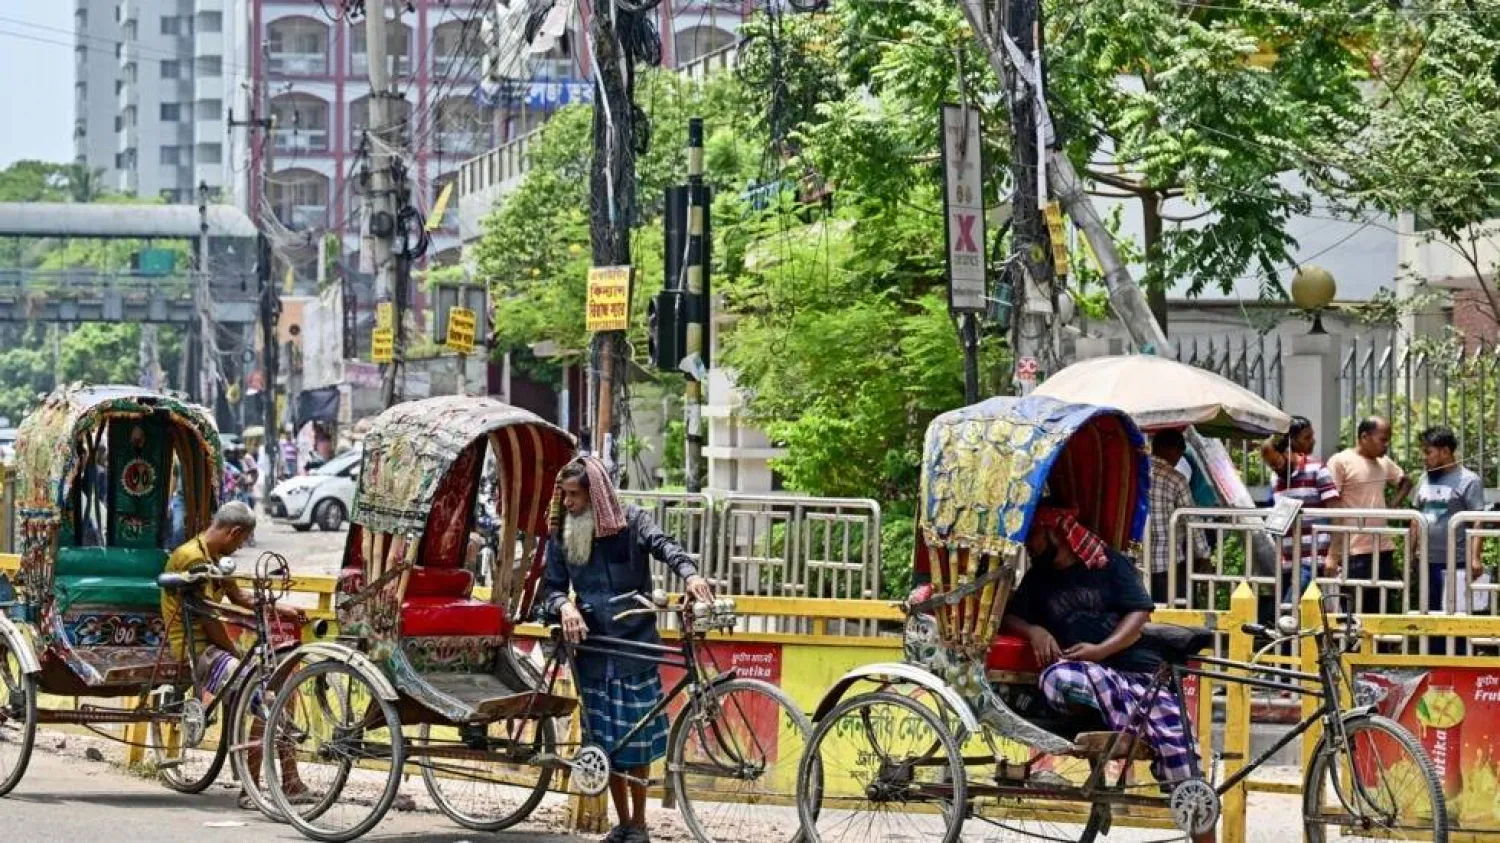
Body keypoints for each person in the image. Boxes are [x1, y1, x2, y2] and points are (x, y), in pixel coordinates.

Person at [1001, 506, 1212, 843]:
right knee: (1056, 679)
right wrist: (1035, 631)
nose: (1028, 544)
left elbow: (1140, 613)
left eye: (1034, 536)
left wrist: (1101, 651)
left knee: (1186, 769)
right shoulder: (1038, 578)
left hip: (1138, 673)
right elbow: (1011, 616)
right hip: (1085, 675)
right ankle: (1110, 719)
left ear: (1056, 533)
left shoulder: (1109, 563)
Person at [540, 457, 714, 843]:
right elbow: (550, 589)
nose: (567, 502)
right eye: (564, 495)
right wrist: (565, 606)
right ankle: (624, 825)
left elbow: (666, 546)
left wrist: (690, 574)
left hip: (635, 648)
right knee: (607, 744)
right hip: (594, 652)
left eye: (574, 495)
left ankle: (640, 823)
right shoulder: (562, 532)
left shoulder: (633, 521)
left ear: (595, 494)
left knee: (637, 745)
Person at [160, 501, 308, 808]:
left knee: (286, 692)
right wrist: (237, 654)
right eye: (242, 540)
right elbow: (207, 619)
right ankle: (251, 787)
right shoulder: (191, 558)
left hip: (218, 646)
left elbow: (238, 596)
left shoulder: (216, 557)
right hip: (198, 649)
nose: (241, 547)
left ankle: (290, 780)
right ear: (234, 532)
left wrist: (282, 609)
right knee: (265, 699)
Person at [1327, 417, 1412, 613]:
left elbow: (1406, 481)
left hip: (1383, 549)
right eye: (1383, 439)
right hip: (1354, 551)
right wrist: (1333, 553)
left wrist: (1391, 507)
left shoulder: (1383, 463)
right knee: (1355, 613)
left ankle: (1382, 645)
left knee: (1383, 610)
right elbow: (1333, 508)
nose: (1387, 445)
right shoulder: (1340, 461)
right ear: (1364, 437)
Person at [1414, 426, 1484, 653]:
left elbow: (1478, 520)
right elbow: (1415, 516)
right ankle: (1433, 666)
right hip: (1427, 561)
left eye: (1428, 452)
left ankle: (1458, 665)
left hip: (1457, 563)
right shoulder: (1424, 478)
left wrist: (1475, 557)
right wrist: (1411, 552)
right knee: (1429, 617)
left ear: (1445, 452)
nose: (1424, 458)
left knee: (1456, 620)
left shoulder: (1468, 480)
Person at [1266, 417, 1340, 611]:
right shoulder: (1276, 478)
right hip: (1288, 561)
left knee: (1287, 611)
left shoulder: (1318, 469)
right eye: (1271, 464)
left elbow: (1337, 515)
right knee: (1298, 616)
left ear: (1289, 448)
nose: (1313, 441)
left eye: (1310, 437)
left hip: (1314, 559)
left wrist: (1333, 555)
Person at [1146, 429, 1210, 605]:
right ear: (1174, 450)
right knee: (1171, 615)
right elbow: (1191, 519)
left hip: (1136, 563)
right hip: (1167, 562)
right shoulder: (1176, 479)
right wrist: (1204, 556)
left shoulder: (1134, 471)